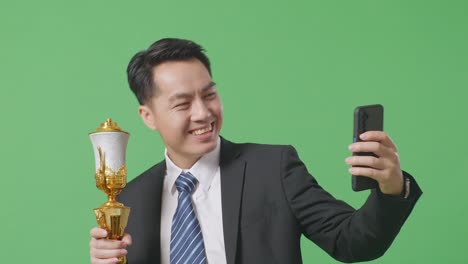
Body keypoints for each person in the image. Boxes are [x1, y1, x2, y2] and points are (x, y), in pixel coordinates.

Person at [89, 38, 422, 264]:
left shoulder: (274, 168)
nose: (203, 113)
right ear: (148, 116)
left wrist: (391, 188)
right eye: (182, 103)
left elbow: (353, 242)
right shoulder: (130, 199)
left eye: (209, 95)